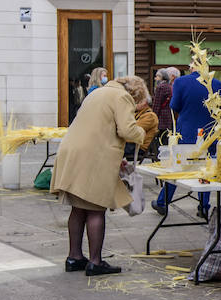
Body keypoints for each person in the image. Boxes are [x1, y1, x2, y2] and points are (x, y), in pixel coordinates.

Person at [52, 76, 147, 277]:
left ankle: (74, 257)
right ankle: (95, 261)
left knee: (78, 208)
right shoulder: (122, 97)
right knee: (96, 209)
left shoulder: (97, 92)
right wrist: (142, 133)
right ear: (134, 94)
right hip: (93, 156)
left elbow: (102, 128)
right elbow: (127, 129)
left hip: (72, 151)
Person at [158, 60, 221, 217]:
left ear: (192, 67)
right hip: (210, 133)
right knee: (206, 168)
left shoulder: (181, 81)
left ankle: (163, 201)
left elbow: (174, 106)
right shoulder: (217, 83)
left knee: (178, 167)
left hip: (187, 132)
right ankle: (204, 205)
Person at [126, 89, 159, 162]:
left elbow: (132, 130)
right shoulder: (138, 114)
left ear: (146, 103)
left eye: (139, 102)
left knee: (112, 147)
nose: (136, 104)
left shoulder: (150, 116)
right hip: (132, 143)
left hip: (138, 146)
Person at [151, 68, 175, 139]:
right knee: (166, 136)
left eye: (157, 76)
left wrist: (154, 117)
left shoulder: (160, 87)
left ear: (162, 77)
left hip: (161, 116)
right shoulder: (169, 86)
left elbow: (157, 104)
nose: (155, 79)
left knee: (160, 138)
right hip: (168, 115)